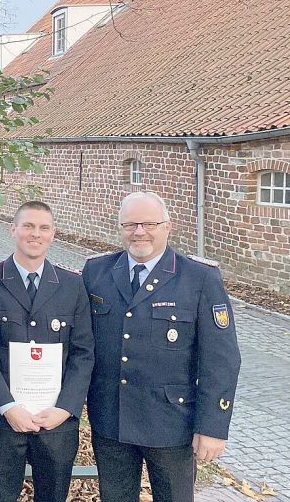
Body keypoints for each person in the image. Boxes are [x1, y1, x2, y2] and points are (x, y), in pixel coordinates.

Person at [82, 191, 240, 502]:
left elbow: (221, 359)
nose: (139, 231)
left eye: (149, 223)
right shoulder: (96, 272)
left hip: (171, 424)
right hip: (111, 419)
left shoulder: (199, 278)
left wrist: (213, 427)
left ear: (168, 226)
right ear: (120, 227)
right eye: (130, 224)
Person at [0, 201, 94, 502]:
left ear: (53, 234)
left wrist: (65, 408)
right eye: (28, 226)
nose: (35, 234)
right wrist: (8, 406)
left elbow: (83, 353)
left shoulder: (72, 285)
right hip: (2, 420)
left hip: (56, 420)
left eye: (43, 228)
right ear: (13, 230)